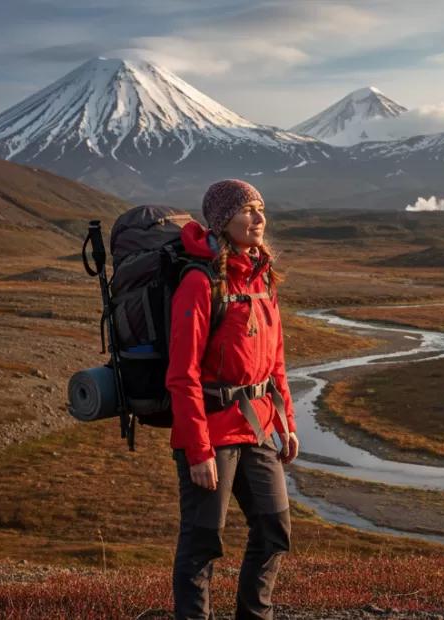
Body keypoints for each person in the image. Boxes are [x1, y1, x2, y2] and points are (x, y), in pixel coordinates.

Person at [166, 179, 300, 620]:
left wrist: (286, 423)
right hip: (211, 432)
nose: (259, 218)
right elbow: (182, 374)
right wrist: (198, 450)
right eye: (247, 210)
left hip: (257, 426)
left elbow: (275, 360)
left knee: (274, 529)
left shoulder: (263, 278)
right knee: (202, 542)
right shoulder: (200, 283)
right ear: (223, 221)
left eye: (261, 208)